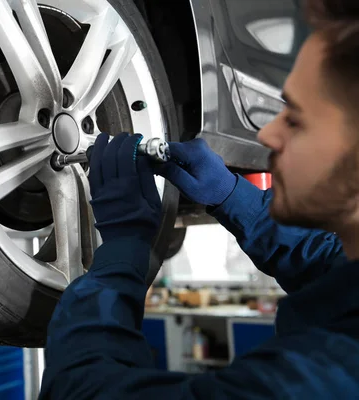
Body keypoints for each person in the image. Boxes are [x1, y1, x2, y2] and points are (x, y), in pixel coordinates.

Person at [39, 0, 359, 398]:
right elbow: (324, 261)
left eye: (296, 119)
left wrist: (120, 256)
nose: (269, 135)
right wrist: (230, 195)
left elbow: (82, 392)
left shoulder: (328, 378)